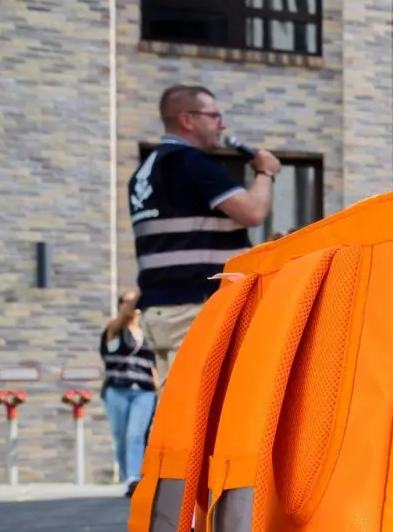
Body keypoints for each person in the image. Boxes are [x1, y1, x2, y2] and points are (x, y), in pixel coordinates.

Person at [128, 86, 279, 387]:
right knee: (199, 413)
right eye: (214, 116)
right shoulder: (190, 163)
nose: (221, 125)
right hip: (193, 310)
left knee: (177, 408)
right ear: (188, 119)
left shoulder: (146, 171)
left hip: (161, 312)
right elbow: (252, 212)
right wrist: (266, 172)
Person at [100, 289, 158, 497]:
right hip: (118, 389)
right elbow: (120, 322)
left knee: (136, 434)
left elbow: (154, 364)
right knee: (122, 436)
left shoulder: (147, 331)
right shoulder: (114, 329)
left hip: (143, 391)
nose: (133, 305)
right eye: (127, 301)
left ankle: (135, 477)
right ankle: (128, 477)